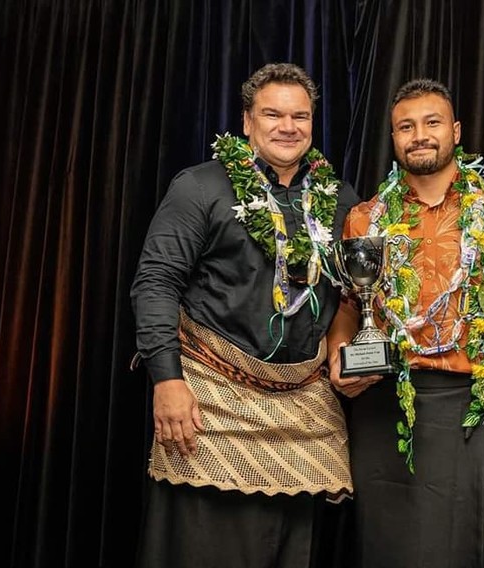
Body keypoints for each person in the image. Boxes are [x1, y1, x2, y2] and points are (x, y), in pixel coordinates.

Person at [130, 62, 359, 568]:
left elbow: (355, 293)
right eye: (272, 114)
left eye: (300, 116)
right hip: (211, 401)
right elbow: (155, 283)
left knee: (288, 550)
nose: (288, 126)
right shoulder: (201, 187)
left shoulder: (339, 200)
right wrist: (166, 379)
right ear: (247, 121)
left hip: (302, 410)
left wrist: (346, 345)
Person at [327, 78, 484, 568]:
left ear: (455, 131)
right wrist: (338, 354)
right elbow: (351, 305)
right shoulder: (364, 221)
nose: (419, 135)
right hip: (385, 402)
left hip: (469, 405)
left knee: (469, 543)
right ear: (393, 140)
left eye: (431, 123)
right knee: (389, 548)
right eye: (405, 127)